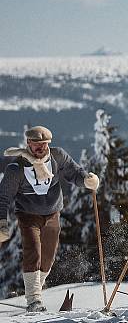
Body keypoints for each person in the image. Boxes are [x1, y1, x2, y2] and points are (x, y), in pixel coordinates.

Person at [0, 126, 100, 312]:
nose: (41, 148)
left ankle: (36, 288)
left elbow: (74, 172)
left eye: (45, 144)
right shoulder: (16, 168)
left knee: (48, 256)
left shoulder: (57, 156)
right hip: (28, 215)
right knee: (33, 251)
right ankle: (34, 300)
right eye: (37, 145)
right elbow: (3, 197)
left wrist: (87, 180)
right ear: (28, 143)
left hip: (53, 213)